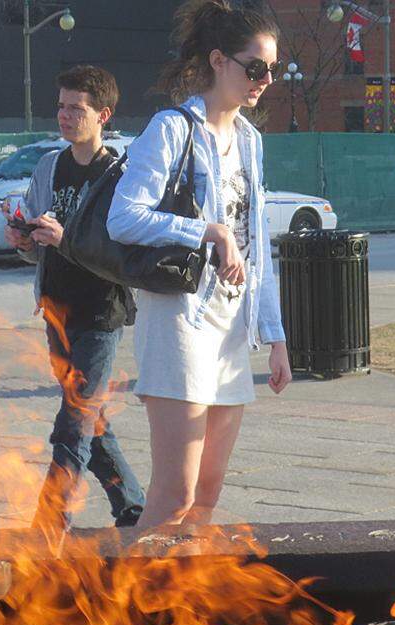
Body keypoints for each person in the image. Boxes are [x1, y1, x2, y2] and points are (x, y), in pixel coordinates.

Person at [108, 0, 291, 529]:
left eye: (271, 70)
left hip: (232, 326)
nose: (264, 80)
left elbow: (257, 244)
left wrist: (275, 335)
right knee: (174, 494)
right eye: (254, 67)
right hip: (180, 321)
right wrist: (207, 231)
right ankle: (134, 605)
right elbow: (124, 217)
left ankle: (184, 606)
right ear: (218, 60)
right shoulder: (172, 129)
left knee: (207, 494)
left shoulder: (251, 142)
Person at [5, 65, 145, 532]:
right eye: (61, 105)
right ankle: (133, 505)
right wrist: (25, 240)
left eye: (76, 108)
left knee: (75, 421)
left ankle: (49, 523)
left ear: (103, 115)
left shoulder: (119, 176)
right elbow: (36, 243)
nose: (65, 116)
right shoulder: (50, 166)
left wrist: (63, 238)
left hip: (100, 312)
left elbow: (120, 252)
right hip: (56, 309)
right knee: (89, 417)